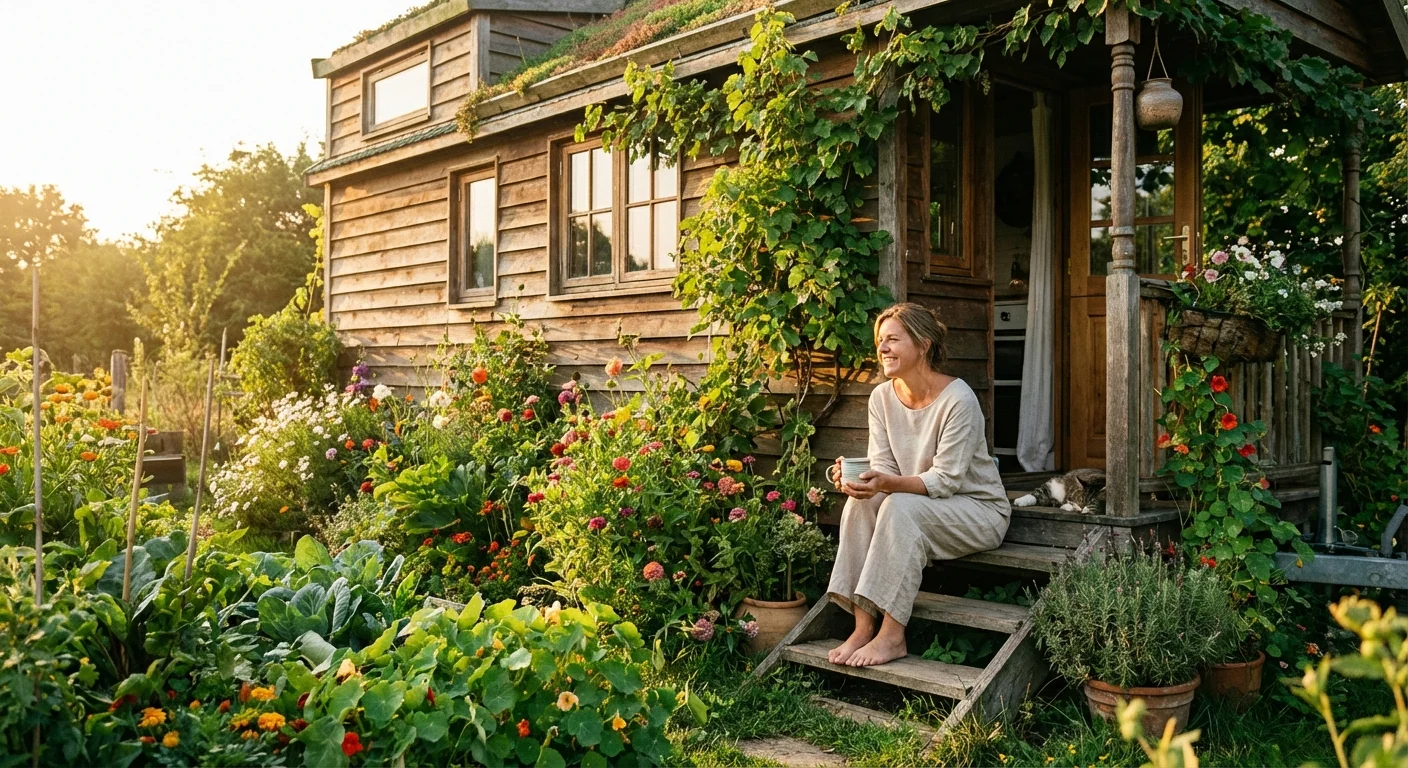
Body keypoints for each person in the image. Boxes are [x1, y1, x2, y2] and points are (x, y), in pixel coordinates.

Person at [826, 302, 1010, 667]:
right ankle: (863, 628)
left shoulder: (959, 399)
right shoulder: (881, 397)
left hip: (977, 510)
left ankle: (892, 636)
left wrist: (887, 483)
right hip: (917, 504)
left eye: (893, 339)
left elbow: (947, 480)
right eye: (880, 341)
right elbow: (883, 465)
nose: (882, 349)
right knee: (861, 503)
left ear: (923, 345)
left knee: (897, 506)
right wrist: (859, 478)